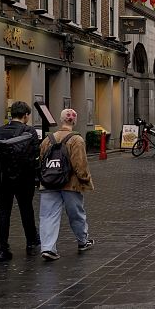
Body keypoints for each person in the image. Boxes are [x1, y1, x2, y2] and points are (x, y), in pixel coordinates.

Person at [38, 108, 95, 261]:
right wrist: (86, 180)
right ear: (74, 121)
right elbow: (80, 166)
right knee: (76, 214)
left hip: (49, 183)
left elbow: (42, 161)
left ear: (61, 120)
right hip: (71, 184)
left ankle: (48, 248)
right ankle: (83, 241)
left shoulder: (47, 139)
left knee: (48, 216)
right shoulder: (76, 140)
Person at [0, 101, 41, 261]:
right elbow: (34, 158)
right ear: (25, 115)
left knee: (3, 212)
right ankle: (31, 243)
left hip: (3, 179)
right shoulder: (30, 132)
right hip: (24, 179)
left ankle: (1, 248)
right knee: (26, 209)